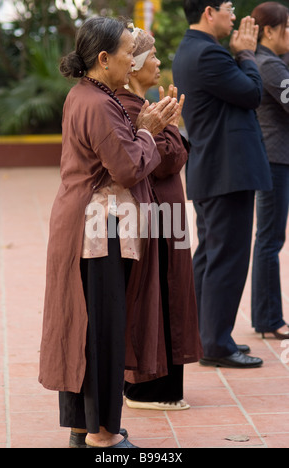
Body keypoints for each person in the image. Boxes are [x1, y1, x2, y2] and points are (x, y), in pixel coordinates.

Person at [38, 16, 180, 449]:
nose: (133, 59)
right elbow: (128, 166)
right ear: (104, 59)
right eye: (127, 51)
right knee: (100, 328)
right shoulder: (98, 103)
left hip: (90, 226)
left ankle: (84, 427)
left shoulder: (88, 95)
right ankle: (102, 436)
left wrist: (143, 130)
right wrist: (148, 132)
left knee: (86, 327)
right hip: (99, 231)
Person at [172, 1, 273, 368]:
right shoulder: (207, 55)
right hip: (226, 171)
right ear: (209, 12)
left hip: (215, 169)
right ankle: (215, 343)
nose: (235, 17)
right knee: (226, 259)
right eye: (229, 9)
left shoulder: (195, 49)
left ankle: (206, 336)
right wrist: (247, 54)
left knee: (212, 257)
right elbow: (251, 94)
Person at [116, 27, 203, 411]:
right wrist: (168, 128)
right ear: (132, 66)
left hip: (166, 216)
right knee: (155, 293)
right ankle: (147, 387)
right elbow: (166, 159)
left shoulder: (143, 105)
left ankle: (158, 383)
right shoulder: (127, 108)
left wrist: (168, 128)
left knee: (172, 290)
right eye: (151, 57)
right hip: (153, 219)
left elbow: (175, 152)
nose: (158, 64)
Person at [250, 2, 289, 340]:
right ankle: (268, 318)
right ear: (270, 31)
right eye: (286, 27)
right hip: (274, 160)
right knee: (269, 240)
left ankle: (266, 316)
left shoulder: (271, 62)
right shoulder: (270, 66)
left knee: (269, 238)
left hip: (274, 159)